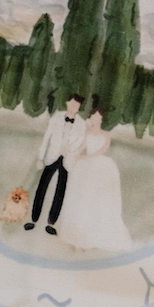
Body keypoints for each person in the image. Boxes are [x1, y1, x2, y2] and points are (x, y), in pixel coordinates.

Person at [56, 102, 131, 252]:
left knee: (97, 199)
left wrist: (85, 158)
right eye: (93, 117)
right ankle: (78, 237)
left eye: (98, 117)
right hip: (85, 166)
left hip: (99, 166)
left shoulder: (106, 135)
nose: (95, 119)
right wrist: (72, 152)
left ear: (102, 119)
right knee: (82, 199)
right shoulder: (87, 133)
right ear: (91, 118)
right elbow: (81, 147)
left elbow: (101, 151)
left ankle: (94, 236)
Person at [26, 94, 88, 234]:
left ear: (79, 107)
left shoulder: (81, 124)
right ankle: (33, 219)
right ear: (67, 103)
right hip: (52, 156)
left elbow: (80, 142)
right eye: (71, 104)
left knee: (60, 190)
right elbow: (47, 136)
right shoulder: (57, 117)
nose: (73, 107)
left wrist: (69, 150)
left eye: (76, 105)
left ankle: (51, 223)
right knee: (42, 187)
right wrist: (40, 158)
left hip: (67, 160)